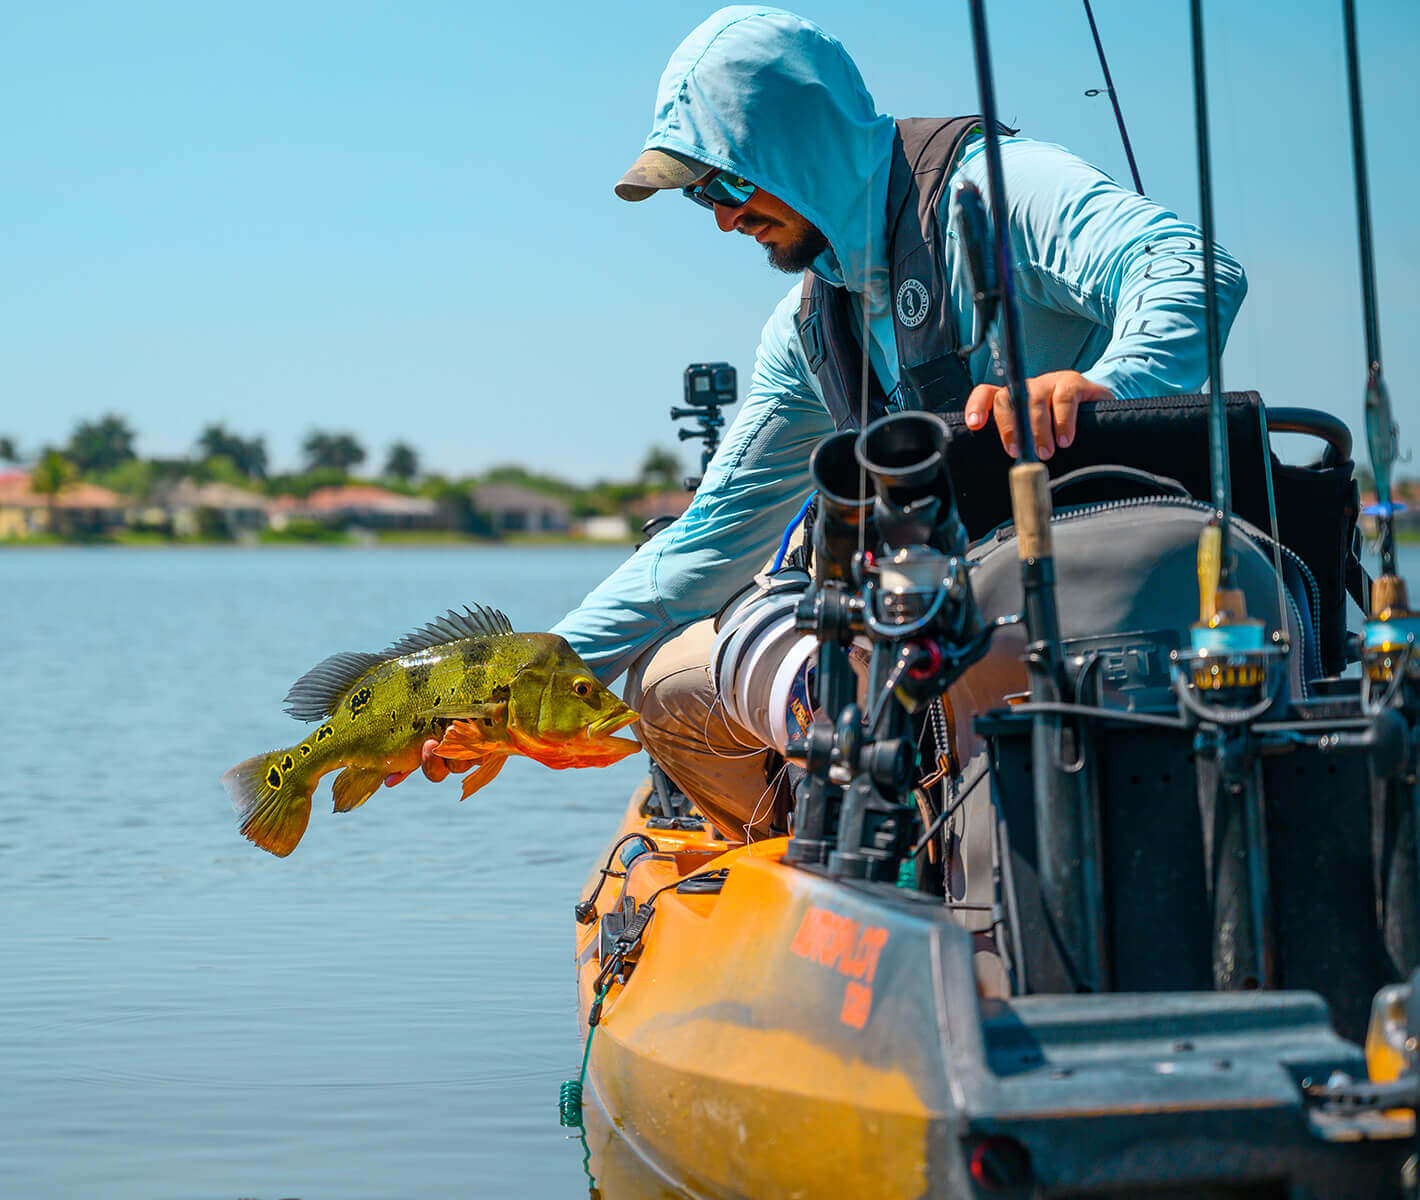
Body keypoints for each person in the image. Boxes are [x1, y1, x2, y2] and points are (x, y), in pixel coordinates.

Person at [394, 6, 1247, 838]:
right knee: (661, 686)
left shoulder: (995, 190)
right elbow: (704, 545)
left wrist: (1107, 384)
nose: (724, 215)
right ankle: (844, 859)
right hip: (932, 631)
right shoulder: (806, 329)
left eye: (729, 179)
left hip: (1112, 593)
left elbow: (1191, 268)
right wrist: (522, 682)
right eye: (701, 198)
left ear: (796, 142)